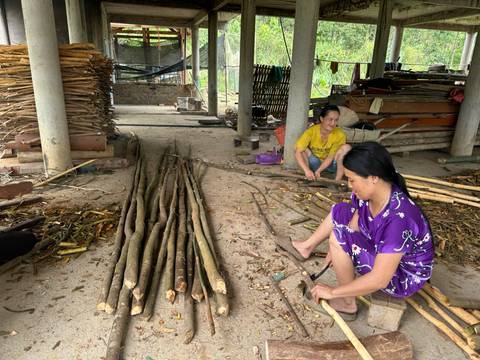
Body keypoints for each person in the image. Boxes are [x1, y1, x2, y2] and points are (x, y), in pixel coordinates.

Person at [292, 142, 434, 318]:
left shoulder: (399, 219)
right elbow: (355, 221)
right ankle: (307, 247)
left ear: (373, 177)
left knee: (339, 237)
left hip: (401, 276)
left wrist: (333, 292)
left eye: (352, 180)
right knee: (341, 211)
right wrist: (339, 251)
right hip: (382, 247)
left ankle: (347, 302)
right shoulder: (370, 193)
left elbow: (380, 279)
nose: (350, 185)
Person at [295, 105, 351, 182]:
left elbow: (330, 157)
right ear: (322, 119)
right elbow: (297, 152)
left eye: (336, 120)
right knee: (301, 149)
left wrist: (319, 171)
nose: (333, 123)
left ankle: (337, 181)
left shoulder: (340, 135)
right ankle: (309, 176)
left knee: (346, 148)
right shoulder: (311, 131)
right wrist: (307, 170)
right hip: (314, 163)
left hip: (332, 165)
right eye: (330, 119)